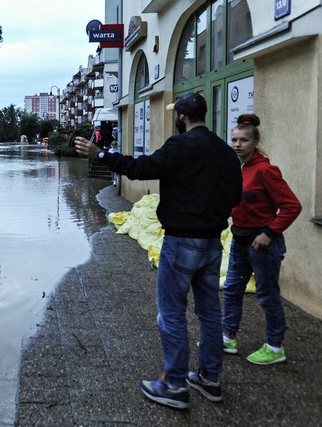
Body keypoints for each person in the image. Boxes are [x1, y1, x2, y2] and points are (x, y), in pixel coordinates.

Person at [74, 92, 242, 410]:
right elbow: (236, 195)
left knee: (172, 313)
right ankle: (209, 378)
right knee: (209, 313)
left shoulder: (180, 146)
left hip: (181, 243)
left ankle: (175, 385)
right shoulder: (224, 150)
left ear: (181, 117)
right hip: (212, 243)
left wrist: (101, 153)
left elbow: (140, 168)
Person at [222, 114, 302, 365]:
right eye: (234, 139)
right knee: (233, 289)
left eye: (243, 140)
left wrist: (269, 233)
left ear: (255, 142)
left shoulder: (266, 171)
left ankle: (275, 346)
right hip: (240, 239)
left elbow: (292, 206)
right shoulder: (235, 168)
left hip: (263, 244)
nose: (237, 145)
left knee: (267, 295)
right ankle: (227, 337)